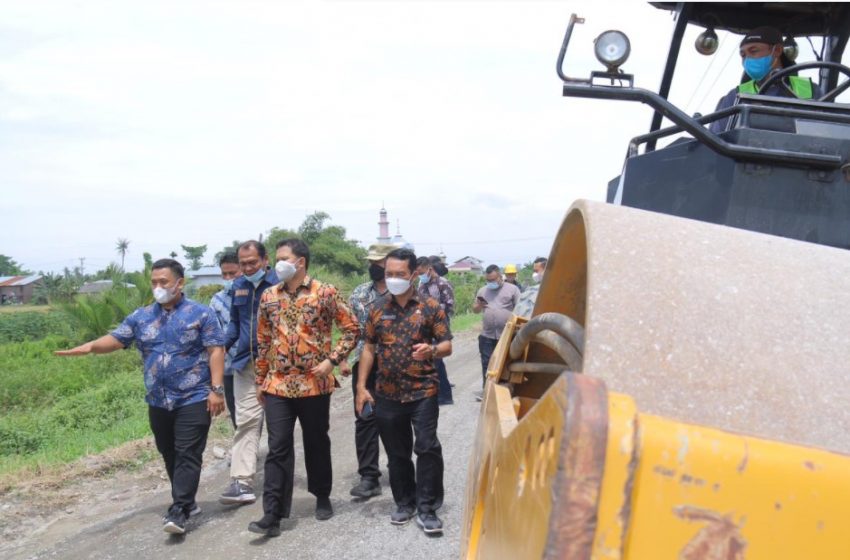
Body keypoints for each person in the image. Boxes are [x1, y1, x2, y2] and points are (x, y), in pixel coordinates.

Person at [54, 258, 225, 535]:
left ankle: (179, 510)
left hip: (193, 396)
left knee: (187, 453)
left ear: (179, 283)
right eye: (154, 282)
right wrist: (90, 347)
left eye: (163, 282)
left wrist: (216, 391)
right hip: (158, 400)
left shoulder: (201, 314)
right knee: (169, 453)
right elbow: (118, 338)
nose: (158, 286)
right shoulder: (141, 316)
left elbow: (216, 350)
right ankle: (188, 501)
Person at [248, 238, 359, 537]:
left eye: (283, 257)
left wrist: (333, 360)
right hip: (278, 384)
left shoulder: (325, 292)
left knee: (316, 440)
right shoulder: (269, 296)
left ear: (300, 262)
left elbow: (352, 329)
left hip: (314, 382)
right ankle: (272, 513)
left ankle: (322, 495)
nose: (277, 263)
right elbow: (263, 341)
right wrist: (261, 380)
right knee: (277, 447)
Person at [355, 248, 453, 534]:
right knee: (397, 453)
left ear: (413, 274)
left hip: (422, 391)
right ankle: (404, 502)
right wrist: (362, 387)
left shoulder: (431, 306)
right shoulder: (377, 308)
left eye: (400, 274)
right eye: (389, 274)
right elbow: (369, 349)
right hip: (386, 394)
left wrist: (432, 349)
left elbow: (447, 345)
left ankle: (427, 508)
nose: (394, 278)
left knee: (426, 447)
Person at [219, 240, 278, 506]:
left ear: (265, 260)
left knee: (279, 424)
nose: (247, 268)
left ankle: (279, 477)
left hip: (279, 365)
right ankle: (241, 482)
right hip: (245, 364)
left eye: (252, 262)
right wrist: (221, 347)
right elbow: (234, 324)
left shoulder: (280, 283)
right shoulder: (238, 287)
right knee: (246, 421)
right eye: (243, 264)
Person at [340, 243, 395, 500]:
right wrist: (341, 357)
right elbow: (351, 329)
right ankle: (369, 477)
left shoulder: (404, 293)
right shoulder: (360, 293)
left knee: (395, 419)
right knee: (365, 419)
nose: (374, 266)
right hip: (364, 366)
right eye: (371, 261)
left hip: (397, 367)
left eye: (379, 261)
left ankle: (399, 469)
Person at [710, 26, 817, 133]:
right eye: (743, 55)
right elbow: (715, 139)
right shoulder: (735, 97)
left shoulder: (810, 90)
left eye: (753, 51)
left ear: (778, 50)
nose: (747, 59)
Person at [472, 264, 520, 401]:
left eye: (493, 280)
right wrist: (478, 306)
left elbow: (521, 308)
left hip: (507, 334)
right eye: (488, 280)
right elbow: (475, 310)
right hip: (487, 335)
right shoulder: (482, 291)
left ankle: (506, 392)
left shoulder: (513, 289)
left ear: (500, 277)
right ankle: (486, 391)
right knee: (487, 364)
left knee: (507, 364)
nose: (491, 283)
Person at [416, 256, 455, 406]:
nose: (420, 275)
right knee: (429, 361)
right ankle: (433, 393)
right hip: (423, 328)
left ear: (429, 269)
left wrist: (431, 310)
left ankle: (444, 396)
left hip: (439, 327)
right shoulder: (421, 284)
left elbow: (449, 306)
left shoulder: (443, 284)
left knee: (436, 361)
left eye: (421, 272)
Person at [209, 251, 242, 428]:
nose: (228, 277)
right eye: (225, 274)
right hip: (228, 366)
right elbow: (213, 334)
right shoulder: (217, 301)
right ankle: (247, 450)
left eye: (233, 273)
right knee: (235, 409)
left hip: (254, 364)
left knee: (255, 409)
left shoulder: (256, 295)